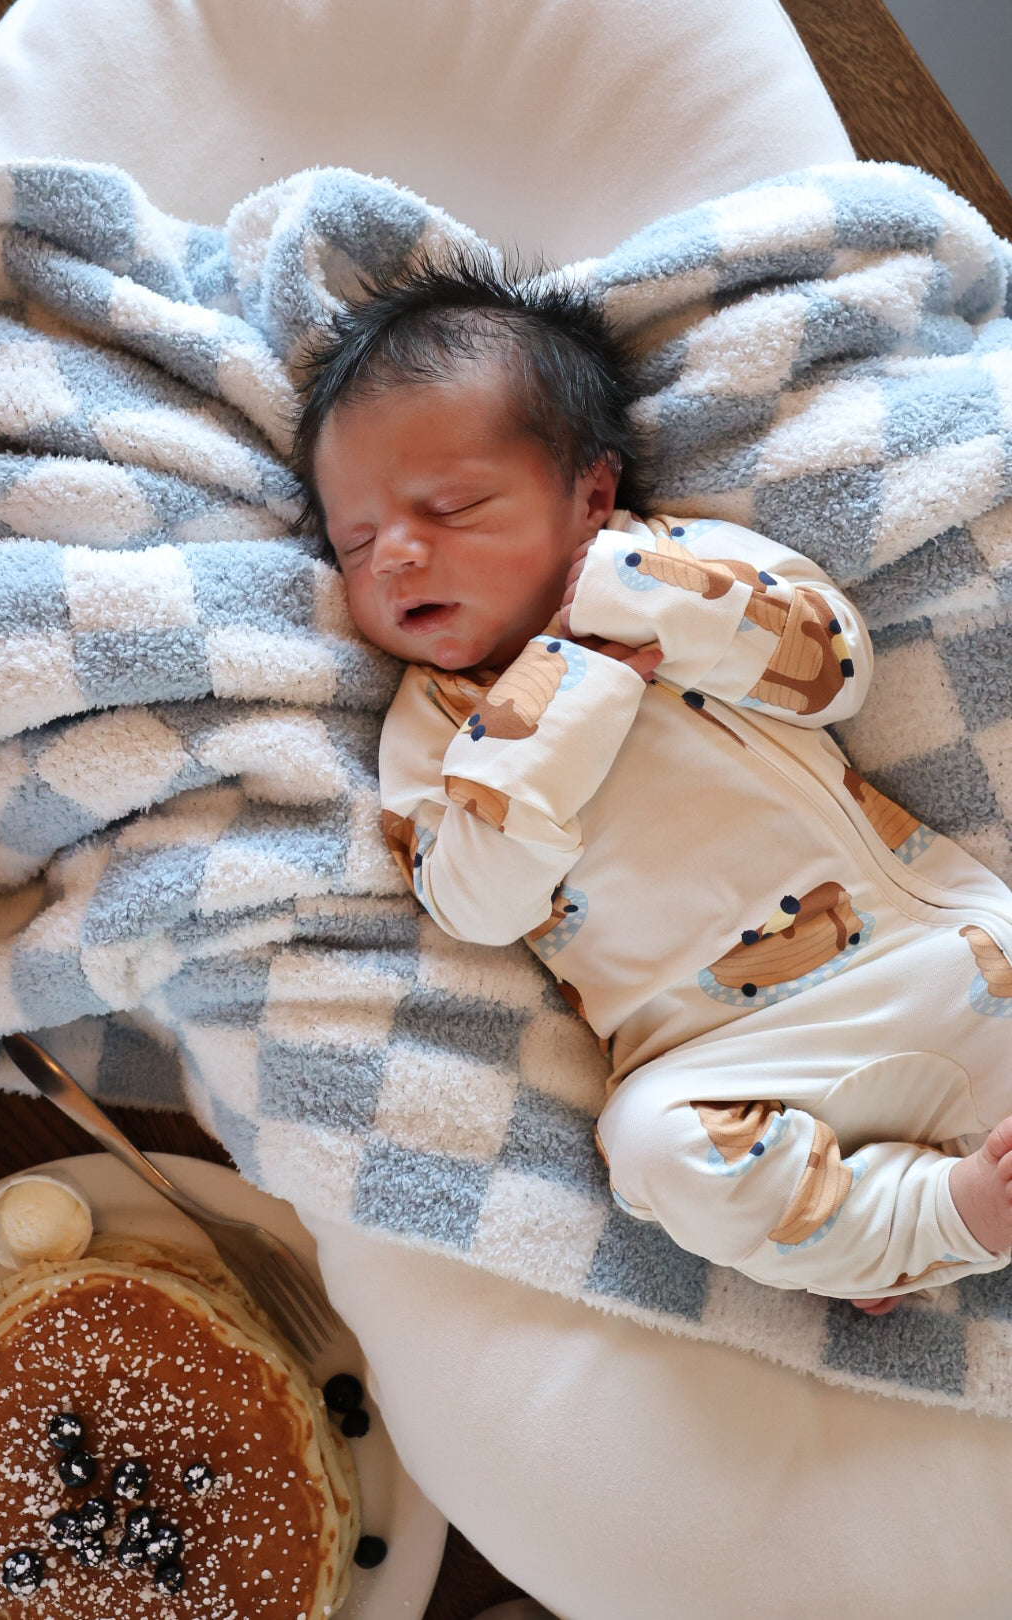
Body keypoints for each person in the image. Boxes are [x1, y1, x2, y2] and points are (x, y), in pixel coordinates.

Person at [291, 251, 1012, 1312]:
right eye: (357, 543)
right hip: (732, 1064)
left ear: (591, 494)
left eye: (450, 508)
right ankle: (927, 1218)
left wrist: (651, 599)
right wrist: (562, 702)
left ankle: (887, 1234)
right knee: (653, 1154)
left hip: (936, 959)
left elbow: (834, 666)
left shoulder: (679, 564)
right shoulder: (433, 727)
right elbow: (476, 904)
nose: (396, 555)